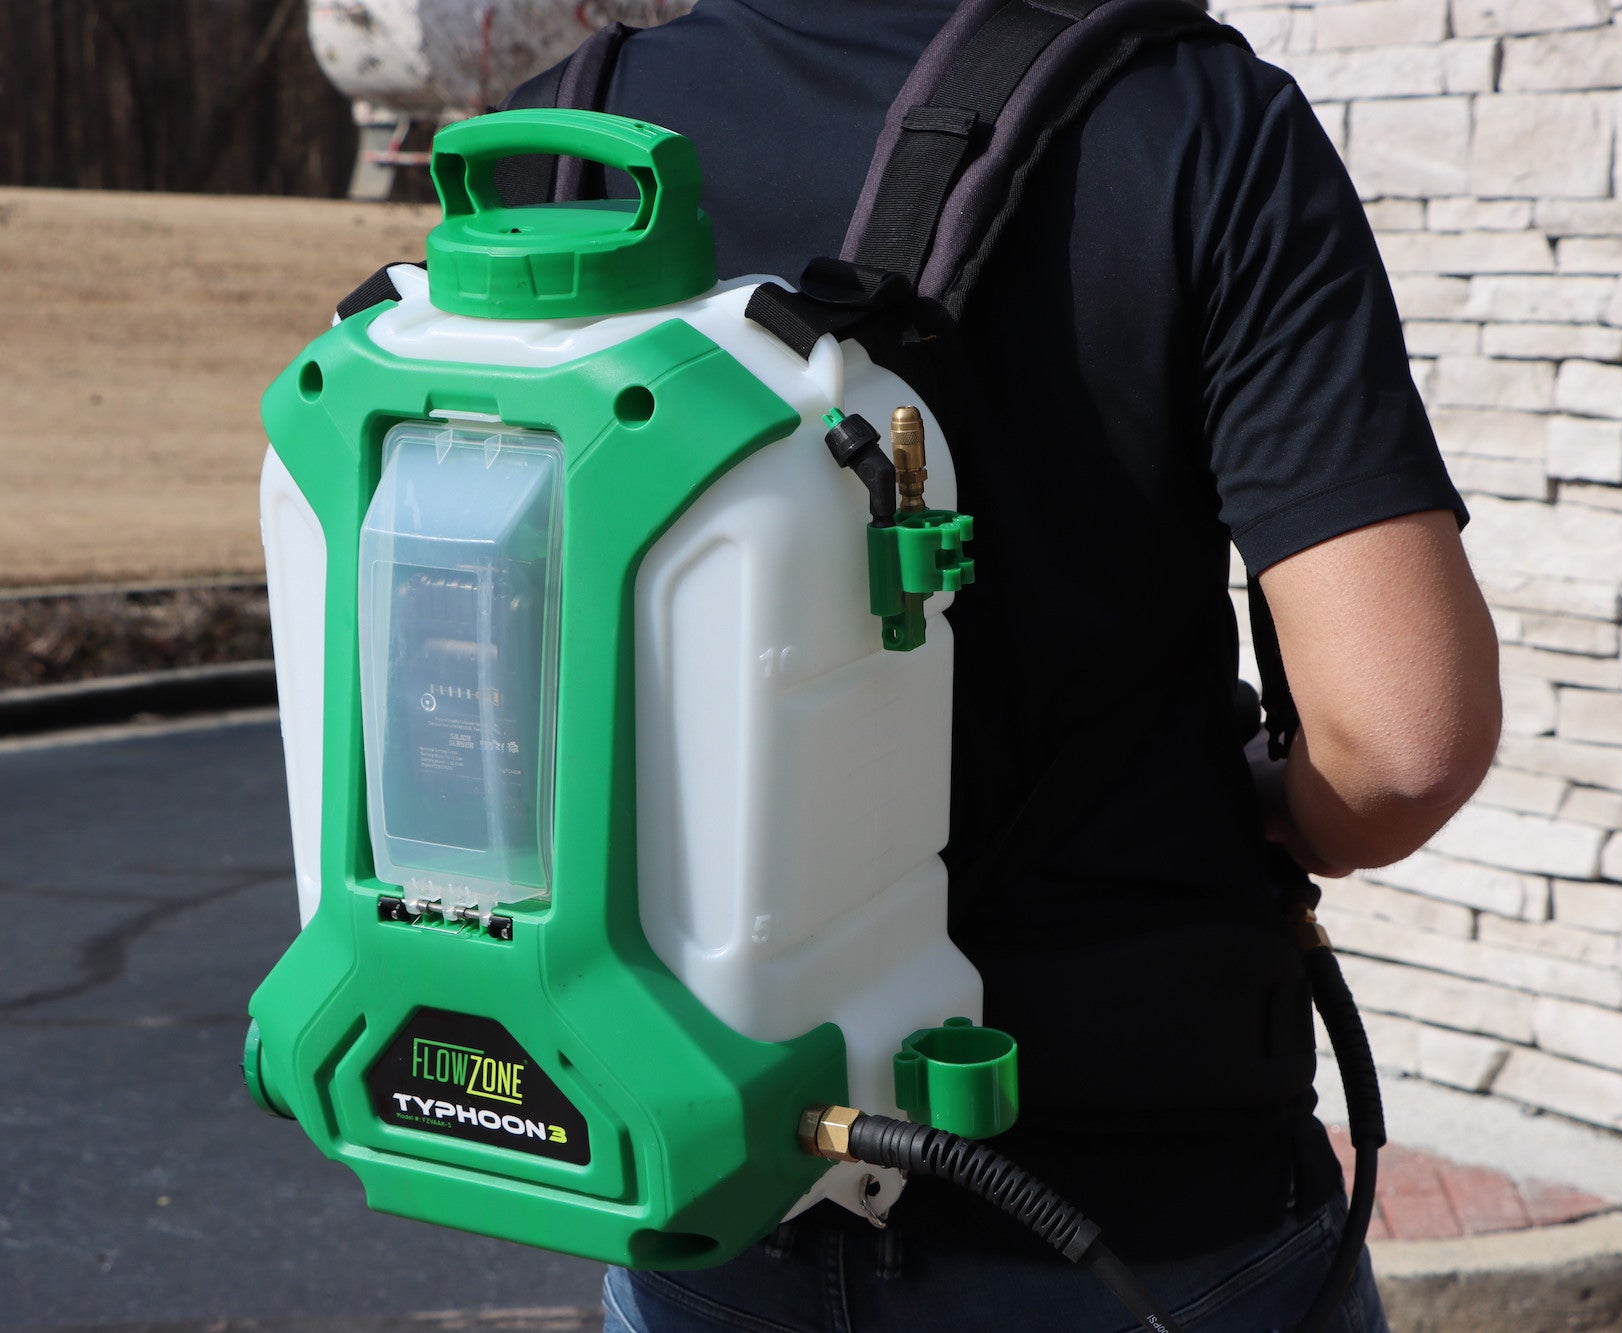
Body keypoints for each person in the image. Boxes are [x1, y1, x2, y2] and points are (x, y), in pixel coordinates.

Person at [504, 2, 1502, 1328]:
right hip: (1135, 1206)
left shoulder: (555, 139)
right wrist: (1273, 804)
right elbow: (1401, 739)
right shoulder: (1190, 122)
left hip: (698, 1171)